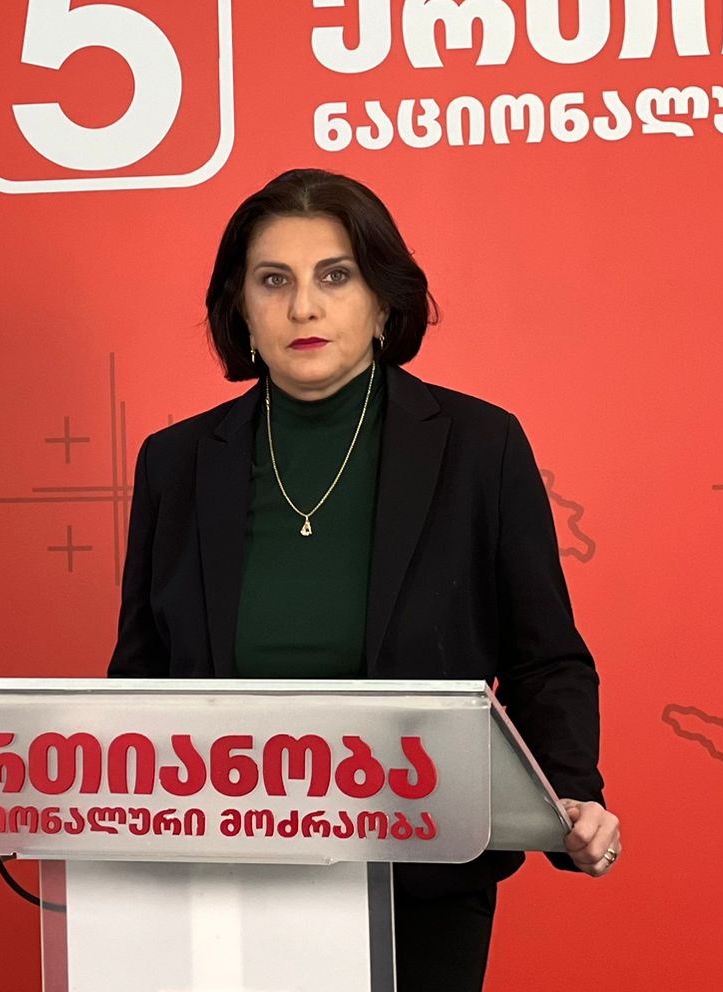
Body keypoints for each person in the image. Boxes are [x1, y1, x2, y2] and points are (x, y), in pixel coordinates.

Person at [108, 168, 620, 992]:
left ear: (384, 303)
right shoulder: (175, 465)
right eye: (273, 281)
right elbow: (139, 676)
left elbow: (544, 659)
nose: (303, 308)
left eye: (335, 277)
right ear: (240, 309)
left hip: (422, 877)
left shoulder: (479, 447)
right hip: (222, 872)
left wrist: (569, 795)